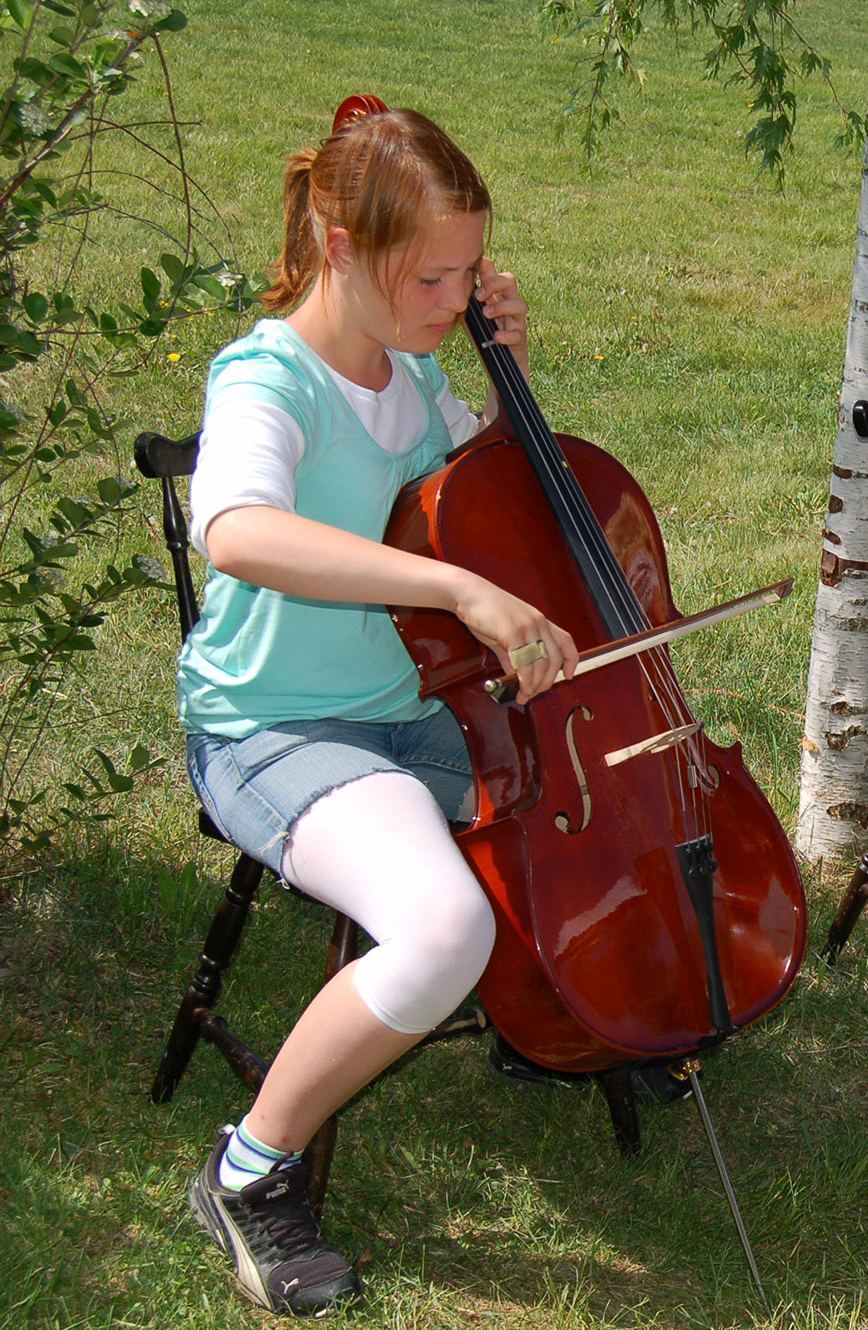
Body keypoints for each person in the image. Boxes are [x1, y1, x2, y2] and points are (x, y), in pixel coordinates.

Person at [175, 106, 576, 1314]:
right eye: (430, 275)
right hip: (277, 728)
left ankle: (569, 1013)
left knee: (582, 813)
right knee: (444, 926)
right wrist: (453, 585)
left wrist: (508, 380)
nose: (455, 297)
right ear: (341, 247)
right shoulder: (268, 375)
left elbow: (481, 493)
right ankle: (251, 1169)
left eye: (469, 273)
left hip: (408, 707)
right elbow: (237, 529)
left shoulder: (413, 370)